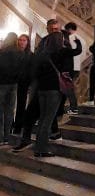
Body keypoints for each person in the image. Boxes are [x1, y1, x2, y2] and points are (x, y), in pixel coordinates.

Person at [13, 18, 63, 151]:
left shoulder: (61, 44)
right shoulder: (44, 43)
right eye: (51, 29)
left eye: (56, 30)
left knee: (46, 118)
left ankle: (42, 146)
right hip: (41, 84)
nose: (53, 32)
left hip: (52, 85)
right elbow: (36, 62)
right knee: (32, 114)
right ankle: (30, 141)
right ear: (47, 28)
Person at [33, 29, 68, 158]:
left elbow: (36, 72)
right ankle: (42, 149)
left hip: (42, 89)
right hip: (54, 89)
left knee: (42, 119)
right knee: (48, 120)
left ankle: (38, 147)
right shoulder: (61, 53)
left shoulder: (42, 54)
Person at [0, 33, 25, 144]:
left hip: (1, 84)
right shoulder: (20, 53)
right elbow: (22, 70)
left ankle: (0, 138)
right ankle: (7, 137)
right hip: (14, 84)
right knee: (10, 111)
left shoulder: (2, 52)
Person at [13, 34, 33, 134]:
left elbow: (31, 70)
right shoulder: (14, 53)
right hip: (12, 81)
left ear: (27, 42)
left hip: (24, 83)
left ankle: (18, 126)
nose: (21, 42)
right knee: (10, 104)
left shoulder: (30, 54)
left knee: (21, 105)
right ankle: (11, 124)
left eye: (24, 40)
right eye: (20, 40)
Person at [63, 22, 82, 113]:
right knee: (69, 88)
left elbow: (72, 52)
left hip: (68, 68)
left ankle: (73, 107)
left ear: (69, 29)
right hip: (76, 67)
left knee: (68, 89)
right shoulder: (80, 39)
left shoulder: (70, 38)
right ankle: (72, 107)